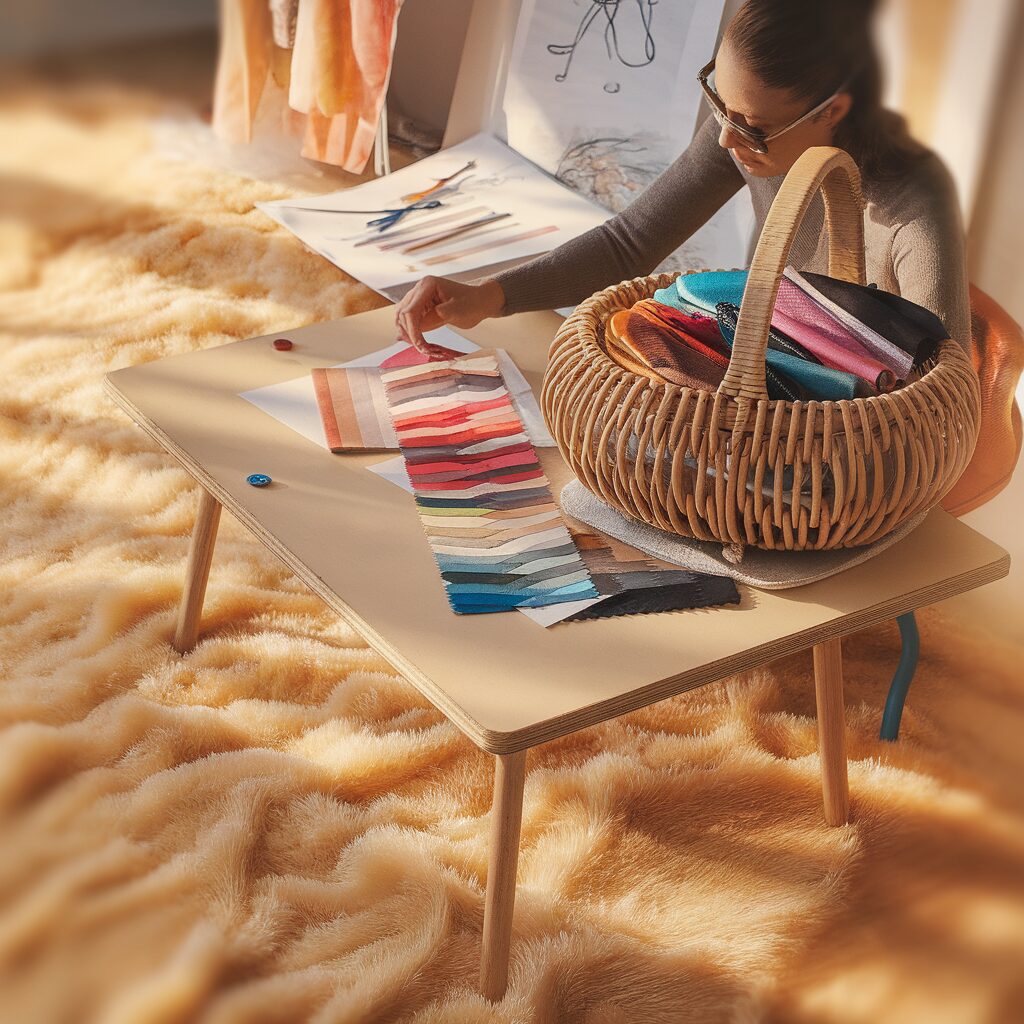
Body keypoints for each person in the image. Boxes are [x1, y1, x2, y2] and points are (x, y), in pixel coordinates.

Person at [393, 0, 970, 358]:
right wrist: (488, 297)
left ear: (832, 112)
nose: (724, 140)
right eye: (719, 101)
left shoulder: (911, 206)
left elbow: (944, 399)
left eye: (751, 125)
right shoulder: (750, 142)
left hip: (856, 441)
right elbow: (631, 243)